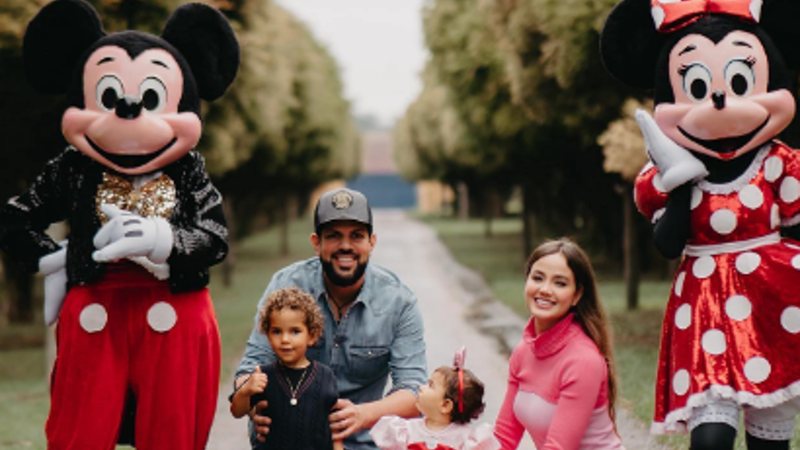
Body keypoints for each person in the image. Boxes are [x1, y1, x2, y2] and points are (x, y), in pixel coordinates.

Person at [600, 1, 800, 448]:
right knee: (710, 440)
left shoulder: (779, 165)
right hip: (705, 311)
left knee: (770, 442)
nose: (719, 99)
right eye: (695, 84)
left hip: (773, 311)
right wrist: (681, 182)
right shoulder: (666, 175)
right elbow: (669, 244)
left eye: (739, 81)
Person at [233, 187, 428, 450]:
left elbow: (415, 392)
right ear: (316, 242)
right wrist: (252, 403)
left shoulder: (399, 301)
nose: (345, 246)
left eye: (356, 236)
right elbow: (251, 367)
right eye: (334, 236)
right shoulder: (286, 284)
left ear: (372, 241)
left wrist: (364, 415)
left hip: (361, 444)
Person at [493, 238, 623, 450]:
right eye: (537, 278)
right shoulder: (523, 352)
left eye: (560, 283)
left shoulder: (583, 361)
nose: (545, 289)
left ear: (577, 295)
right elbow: (504, 437)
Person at [230, 287, 341, 449]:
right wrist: (245, 391)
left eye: (295, 331)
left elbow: (334, 423)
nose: (285, 339)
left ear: (312, 336)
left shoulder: (325, 376)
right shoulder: (262, 376)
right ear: (267, 335)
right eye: (276, 331)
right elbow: (236, 411)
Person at [370, 347, 500, 450]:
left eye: (430, 385)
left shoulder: (465, 440)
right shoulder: (406, 431)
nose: (421, 387)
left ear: (445, 405)